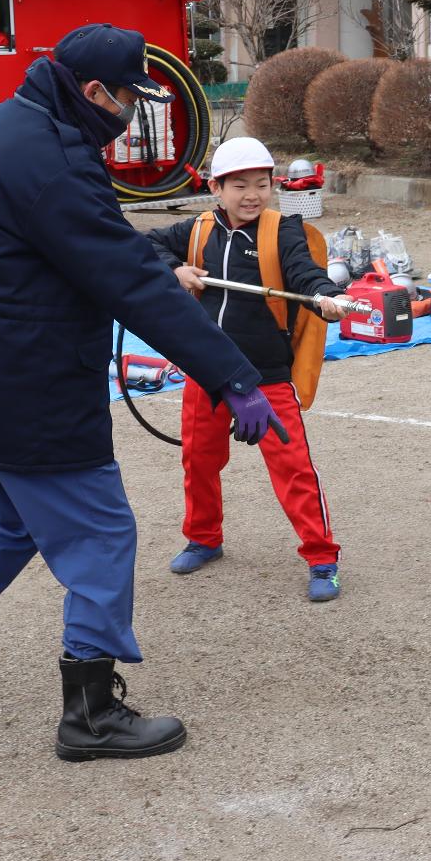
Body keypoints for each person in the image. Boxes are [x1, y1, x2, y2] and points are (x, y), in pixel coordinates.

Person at [0, 24, 275, 763]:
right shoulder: (50, 158)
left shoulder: (1, 128)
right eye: (126, 100)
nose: (127, 115)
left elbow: (73, 245)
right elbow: (128, 279)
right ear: (93, 93)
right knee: (101, 531)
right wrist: (233, 375)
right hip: (26, 384)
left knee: (18, 519)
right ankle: (89, 712)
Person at [145, 137, 354, 602]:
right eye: (240, 185)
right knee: (199, 459)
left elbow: (304, 272)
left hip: (266, 373)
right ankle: (204, 538)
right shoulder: (198, 228)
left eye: (262, 184)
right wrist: (175, 269)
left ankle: (322, 558)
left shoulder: (283, 229)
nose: (252, 194)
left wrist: (326, 297)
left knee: (294, 467)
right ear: (215, 188)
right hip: (208, 370)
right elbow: (144, 245)